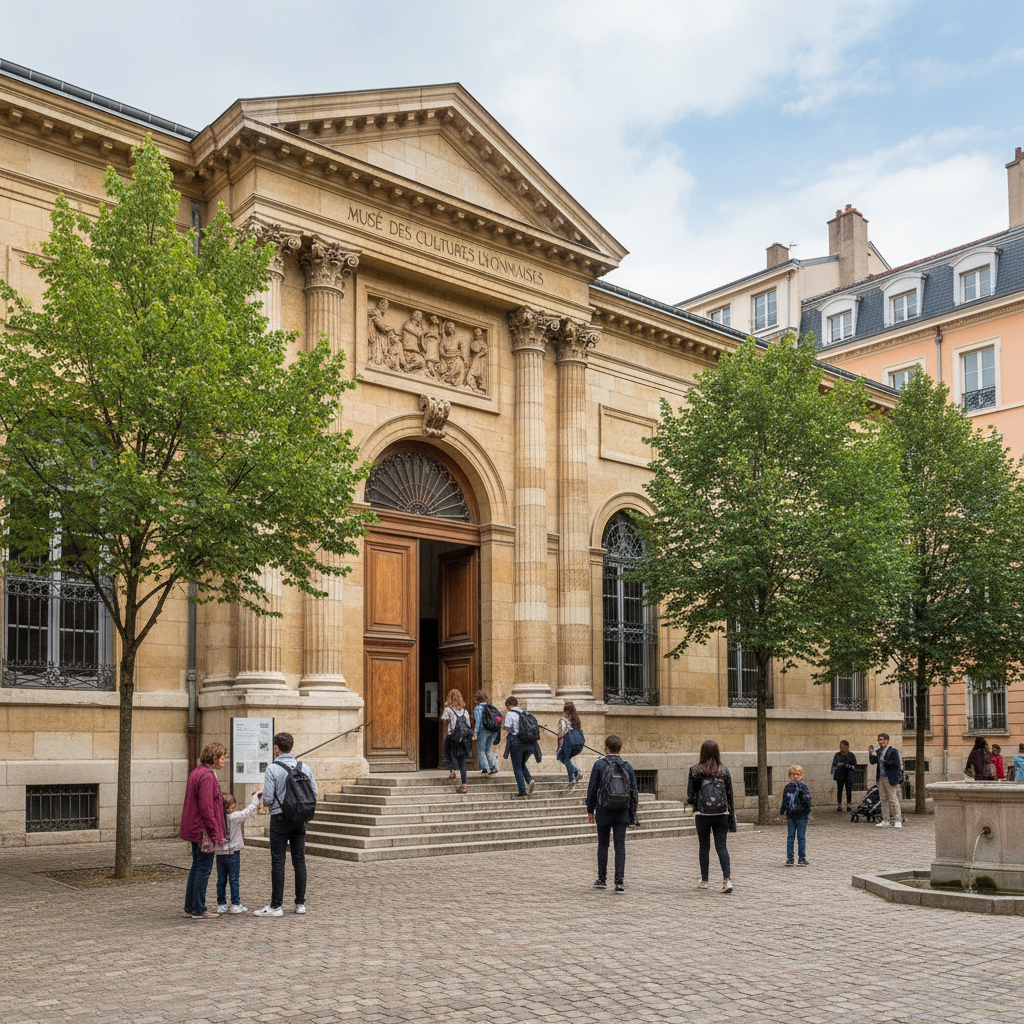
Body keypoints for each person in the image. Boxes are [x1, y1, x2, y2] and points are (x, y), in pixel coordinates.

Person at [254, 732, 318, 917]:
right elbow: (314, 791)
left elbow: (267, 799)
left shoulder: (272, 768)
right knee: (299, 860)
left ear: (276, 749)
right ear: (290, 747)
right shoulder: (304, 766)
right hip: (299, 819)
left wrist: (272, 800)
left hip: (280, 818)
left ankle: (276, 905)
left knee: (278, 861)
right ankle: (300, 903)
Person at [179, 742, 228, 919]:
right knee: (203, 869)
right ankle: (198, 908)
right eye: (223, 757)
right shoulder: (207, 776)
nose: (224, 760)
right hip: (203, 830)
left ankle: (190, 907)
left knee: (197, 866)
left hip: (196, 828)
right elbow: (207, 807)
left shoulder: (197, 772)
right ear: (214, 758)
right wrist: (215, 833)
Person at [586, 735, 638, 893]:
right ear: (620, 749)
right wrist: (632, 813)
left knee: (603, 844)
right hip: (622, 812)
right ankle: (619, 881)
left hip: (603, 810)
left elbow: (592, 789)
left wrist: (590, 809)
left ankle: (602, 878)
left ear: (606, 748)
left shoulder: (599, 765)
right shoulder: (627, 766)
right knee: (620, 846)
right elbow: (634, 792)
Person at [686, 739, 736, 893]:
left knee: (704, 847)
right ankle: (727, 880)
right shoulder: (724, 771)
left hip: (702, 814)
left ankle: (705, 880)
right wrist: (731, 816)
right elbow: (729, 795)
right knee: (721, 846)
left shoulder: (695, 770)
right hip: (721, 813)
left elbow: (691, 794)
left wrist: (693, 804)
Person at [215, 788, 262, 914]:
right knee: (234, 880)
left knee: (221, 881)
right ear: (232, 806)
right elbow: (249, 811)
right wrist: (256, 797)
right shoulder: (234, 817)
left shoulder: (217, 818)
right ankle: (235, 904)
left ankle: (221, 904)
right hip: (233, 853)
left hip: (220, 854)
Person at [779, 764, 813, 866]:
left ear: (801, 775)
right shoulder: (788, 787)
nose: (796, 776)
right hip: (791, 815)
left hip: (802, 816)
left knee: (801, 837)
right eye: (793, 774)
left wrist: (807, 811)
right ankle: (790, 858)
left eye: (798, 774)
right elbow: (785, 799)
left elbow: (808, 799)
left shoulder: (803, 787)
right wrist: (782, 810)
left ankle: (801, 858)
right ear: (790, 775)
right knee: (790, 836)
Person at [502, 695, 535, 798]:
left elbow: (507, 728)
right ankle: (529, 780)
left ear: (508, 705)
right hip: (528, 742)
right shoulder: (525, 713)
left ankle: (522, 790)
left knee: (516, 766)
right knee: (520, 763)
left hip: (516, 741)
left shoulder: (510, 713)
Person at [868, 733, 903, 828]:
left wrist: (884, 761)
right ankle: (885, 820)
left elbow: (896, 764)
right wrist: (871, 753)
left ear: (887, 740)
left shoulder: (893, 751)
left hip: (890, 778)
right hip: (880, 778)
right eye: (879, 740)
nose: (881, 742)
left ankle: (898, 820)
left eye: (883, 740)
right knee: (883, 799)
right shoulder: (878, 751)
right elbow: (872, 762)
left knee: (893, 799)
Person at [442, 689, 472, 793]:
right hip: (463, 739)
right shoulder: (465, 711)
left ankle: (452, 770)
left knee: (446, 752)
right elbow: (468, 725)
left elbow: (444, 719)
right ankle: (464, 785)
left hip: (452, 736)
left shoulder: (448, 709)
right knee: (462, 761)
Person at [556, 701, 584, 784]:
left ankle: (573, 775)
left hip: (568, 742)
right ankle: (575, 773)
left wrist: (559, 746)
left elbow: (561, 734)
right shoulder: (576, 720)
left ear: (565, 710)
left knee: (564, 758)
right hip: (578, 744)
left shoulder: (563, 720)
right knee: (567, 759)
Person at [473, 690, 500, 775]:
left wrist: (475, 733)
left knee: (481, 749)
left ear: (476, 699)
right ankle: (494, 766)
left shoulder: (478, 708)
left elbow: (478, 721)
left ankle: (484, 767)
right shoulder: (491, 707)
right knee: (488, 749)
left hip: (483, 730)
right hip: (493, 730)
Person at [831, 740, 858, 812]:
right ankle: (839, 805)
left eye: (845, 746)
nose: (843, 747)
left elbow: (855, 765)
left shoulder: (851, 755)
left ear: (848, 747)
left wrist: (849, 766)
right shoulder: (837, 755)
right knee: (839, 790)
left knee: (848, 790)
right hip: (840, 774)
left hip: (848, 774)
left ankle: (849, 805)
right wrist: (838, 765)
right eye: (842, 746)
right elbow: (834, 765)